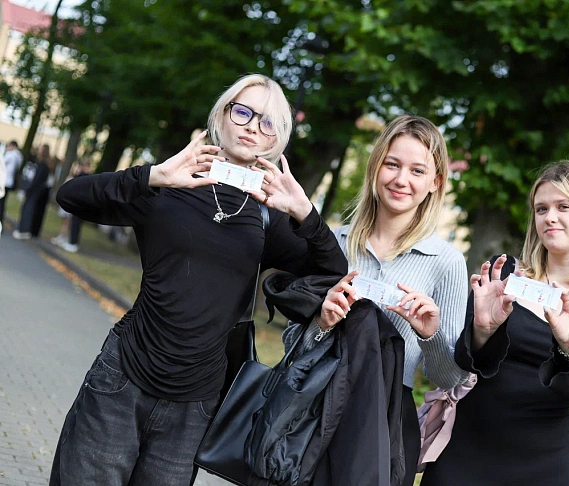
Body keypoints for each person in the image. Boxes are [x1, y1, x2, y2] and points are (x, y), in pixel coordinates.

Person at [49, 73, 348, 486]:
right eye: (243, 111)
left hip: (195, 406)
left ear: (276, 139)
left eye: (267, 122)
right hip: (122, 379)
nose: (251, 126)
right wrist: (151, 176)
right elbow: (71, 196)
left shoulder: (267, 214)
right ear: (221, 116)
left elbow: (333, 271)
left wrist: (305, 216)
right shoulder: (168, 182)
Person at [420, 161, 569, 486]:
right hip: (466, 453)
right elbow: (463, 364)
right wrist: (483, 329)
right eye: (541, 208)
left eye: (564, 207)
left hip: (544, 467)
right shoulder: (504, 275)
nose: (550, 217)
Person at [286, 114, 471, 486]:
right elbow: (292, 343)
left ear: (435, 183)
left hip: (385, 422)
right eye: (392, 164)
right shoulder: (334, 243)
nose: (401, 180)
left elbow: (449, 378)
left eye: (417, 171)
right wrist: (322, 323)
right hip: (313, 409)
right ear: (375, 169)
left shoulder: (448, 263)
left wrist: (430, 334)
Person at [52, 158, 92, 252]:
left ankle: (72, 243)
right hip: (79, 202)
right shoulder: (86, 176)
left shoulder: (84, 176)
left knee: (75, 224)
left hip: (79, 203)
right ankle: (70, 240)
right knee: (73, 223)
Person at [13, 144, 52, 239]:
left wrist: (29, 188)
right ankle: (25, 229)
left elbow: (37, 179)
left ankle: (24, 230)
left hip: (34, 191)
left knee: (28, 209)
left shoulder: (42, 165)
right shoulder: (45, 164)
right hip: (37, 191)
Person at [0, 140, 22, 229]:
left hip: (4, 180)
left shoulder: (10, 155)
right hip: (9, 181)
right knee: (3, 203)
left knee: (1, 202)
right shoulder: (19, 156)